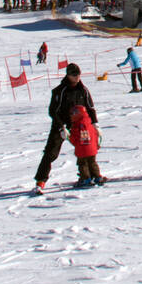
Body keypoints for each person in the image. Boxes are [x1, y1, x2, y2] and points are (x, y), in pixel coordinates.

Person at [34, 64, 98, 194]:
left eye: (79, 74)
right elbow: (53, 111)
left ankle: (89, 176)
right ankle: (40, 181)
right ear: (68, 75)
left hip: (80, 126)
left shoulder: (83, 90)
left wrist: (95, 124)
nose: (77, 77)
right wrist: (61, 127)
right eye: (74, 75)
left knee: (86, 150)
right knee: (51, 152)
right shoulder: (60, 91)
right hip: (61, 125)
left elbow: (90, 108)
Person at [68, 103, 106, 187]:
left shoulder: (77, 126)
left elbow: (74, 140)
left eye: (72, 114)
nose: (71, 116)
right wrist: (96, 145)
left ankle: (86, 179)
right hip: (92, 149)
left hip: (82, 150)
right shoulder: (89, 123)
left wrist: (68, 136)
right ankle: (97, 177)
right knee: (92, 163)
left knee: (83, 164)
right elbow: (95, 135)